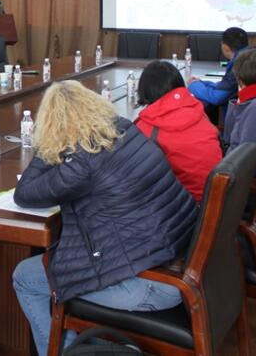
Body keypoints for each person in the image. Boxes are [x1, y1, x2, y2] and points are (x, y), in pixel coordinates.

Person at [12, 81, 198, 356]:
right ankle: (91, 348)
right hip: (176, 265)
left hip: (148, 284)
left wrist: (46, 142)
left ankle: (67, 352)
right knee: (52, 267)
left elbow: (24, 193)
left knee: (25, 277)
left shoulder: (82, 164)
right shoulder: (125, 129)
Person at [134, 60, 222, 202]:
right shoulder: (198, 110)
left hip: (188, 207)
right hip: (218, 197)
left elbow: (137, 178)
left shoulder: (147, 127)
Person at [188, 26, 253, 109]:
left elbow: (216, 97)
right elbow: (225, 85)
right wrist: (202, 83)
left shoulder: (239, 65)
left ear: (225, 47)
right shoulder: (250, 57)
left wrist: (193, 85)